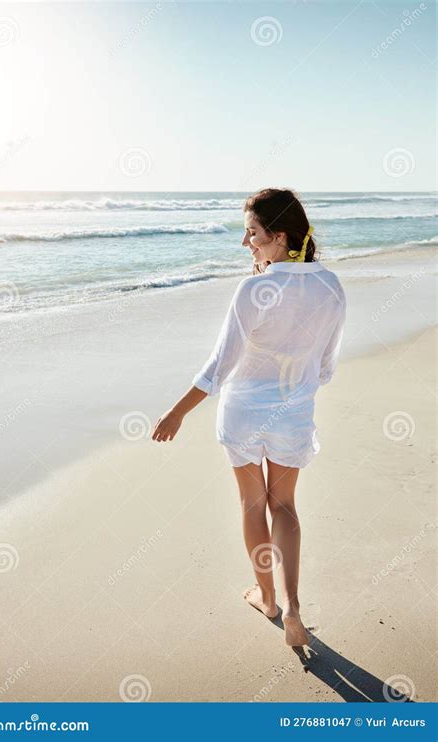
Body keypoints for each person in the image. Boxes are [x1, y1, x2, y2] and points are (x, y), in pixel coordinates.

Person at [152, 188, 347, 647]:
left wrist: (175, 413)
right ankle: (295, 605)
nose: (246, 243)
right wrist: (294, 390)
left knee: (251, 505)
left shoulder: (255, 288)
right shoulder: (331, 286)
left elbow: (220, 365)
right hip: (294, 412)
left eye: (253, 233)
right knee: (285, 508)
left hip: (242, 413)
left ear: (279, 237)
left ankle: (268, 599)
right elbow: (325, 367)